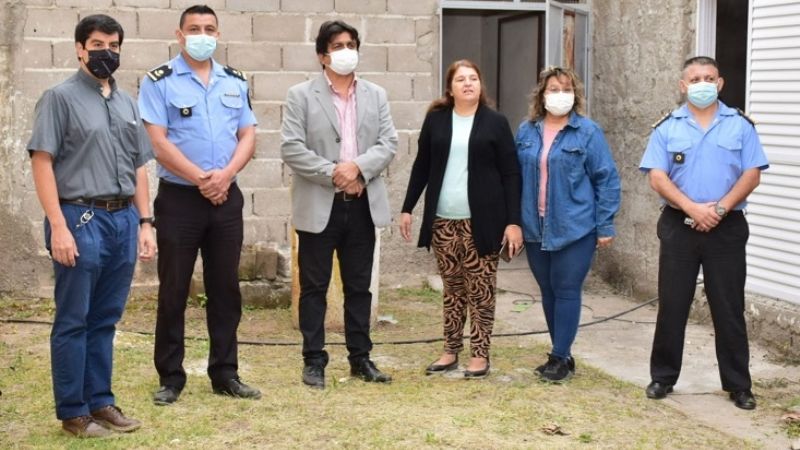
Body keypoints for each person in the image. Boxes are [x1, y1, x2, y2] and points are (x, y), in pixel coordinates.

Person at [27, 14, 156, 437]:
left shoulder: (126, 101)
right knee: (74, 318)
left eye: (114, 45)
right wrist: (58, 226)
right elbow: (42, 161)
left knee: (105, 318)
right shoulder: (59, 98)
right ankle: (73, 412)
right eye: (98, 44)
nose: (107, 52)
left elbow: (139, 166)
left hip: (122, 220)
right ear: (80, 48)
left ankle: (100, 402)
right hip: (80, 219)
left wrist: (145, 222)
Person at [137, 4, 260, 405]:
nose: (201, 34)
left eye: (209, 28)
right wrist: (201, 178)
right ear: (179, 34)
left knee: (226, 287)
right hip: (180, 199)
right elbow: (158, 142)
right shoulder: (159, 81)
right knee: (174, 288)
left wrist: (223, 177)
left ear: (218, 34)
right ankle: (171, 377)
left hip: (226, 197)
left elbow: (247, 135)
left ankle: (225, 373)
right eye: (194, 28)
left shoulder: (234, 81)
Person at [640, 56, 768, 410]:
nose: (702, 84)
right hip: (679, 227)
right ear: (683, 86)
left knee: (729, 308)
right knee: (672, 305)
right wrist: (693, 209)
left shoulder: (740, 126)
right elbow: (657, 176)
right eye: (695, 78)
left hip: (726, 229)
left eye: (709, 77)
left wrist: (720, 209)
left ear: (721, 83)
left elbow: (752, 173)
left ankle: (739, 385)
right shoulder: (668, 127)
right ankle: (663, 377)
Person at [281, 20, 397, 389]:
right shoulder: (301, 95)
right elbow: (291, 148)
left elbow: (388, 143)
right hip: (319, 204)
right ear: (322, 56)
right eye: (338, 45)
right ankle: (313, 359)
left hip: (362, 204)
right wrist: (334, 172)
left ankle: (360, 358)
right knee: (314, 288)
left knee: (359, 287)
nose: (346, 51)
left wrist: (358, 169)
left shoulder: (376, 94)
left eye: (351, 44)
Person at [400, 60, 522, 379]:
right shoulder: (437, 120)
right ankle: (450, 350)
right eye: (460, 79)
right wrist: (407, 207)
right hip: (443, 222)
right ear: (450, 88)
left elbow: (511, 173)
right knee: (453, 290)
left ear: (481, 85)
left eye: (473, 78)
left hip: (481, 223)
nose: (468, 83)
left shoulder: (495, 122)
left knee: (481, 291)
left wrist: (513, 222)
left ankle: (480, 355)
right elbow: (421, 166)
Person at [515, 66, 621, 383]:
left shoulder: (587, 132)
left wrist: (605, 225)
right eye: (553, 89)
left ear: (574, 95)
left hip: (575, 226)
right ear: (541, 94)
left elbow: (607, 179)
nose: (559, 94)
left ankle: (559, 357)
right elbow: (513, 177)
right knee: (547, 290)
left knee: (566, 289)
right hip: (535, 226)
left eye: (566, 88)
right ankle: (562, 352)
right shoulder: (526, 131)